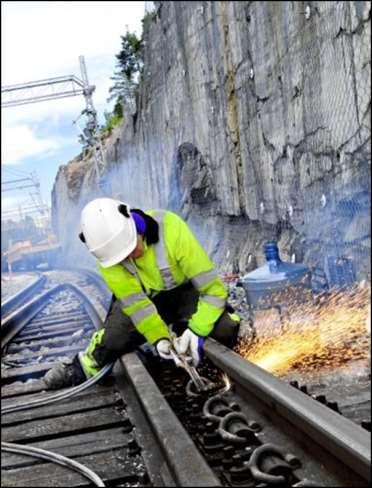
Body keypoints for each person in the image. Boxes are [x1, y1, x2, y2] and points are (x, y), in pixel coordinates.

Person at [44, 197, 241, 389]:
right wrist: (159, 338)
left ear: (134, 226)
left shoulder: (171, 228)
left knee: (224, 328)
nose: (130, 257)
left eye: (131, 247)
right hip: (146, 300)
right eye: (122, 257)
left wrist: (197, 331)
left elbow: (213, 291)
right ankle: (84, 364)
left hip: (185, 294)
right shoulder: (107, 254)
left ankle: (184, 330)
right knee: (115, 340)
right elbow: (137, 305)